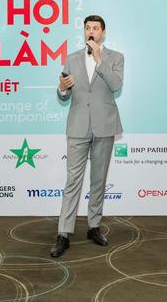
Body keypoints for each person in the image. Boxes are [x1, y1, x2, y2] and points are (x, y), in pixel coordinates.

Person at [50, 15, 125, 258]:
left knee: (98, 180)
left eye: (95, 28)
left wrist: (100, 59)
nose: (91, 31)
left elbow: (116, 85)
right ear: (84, 31)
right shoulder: (72, 58)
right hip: (78, 126)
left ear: (103, 32)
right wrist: (62, 89)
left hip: (105, 125)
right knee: (73, 180)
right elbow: (64, 95)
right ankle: (63, 233)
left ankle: (94, 226)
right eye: (87, 28)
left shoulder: (115, 57)